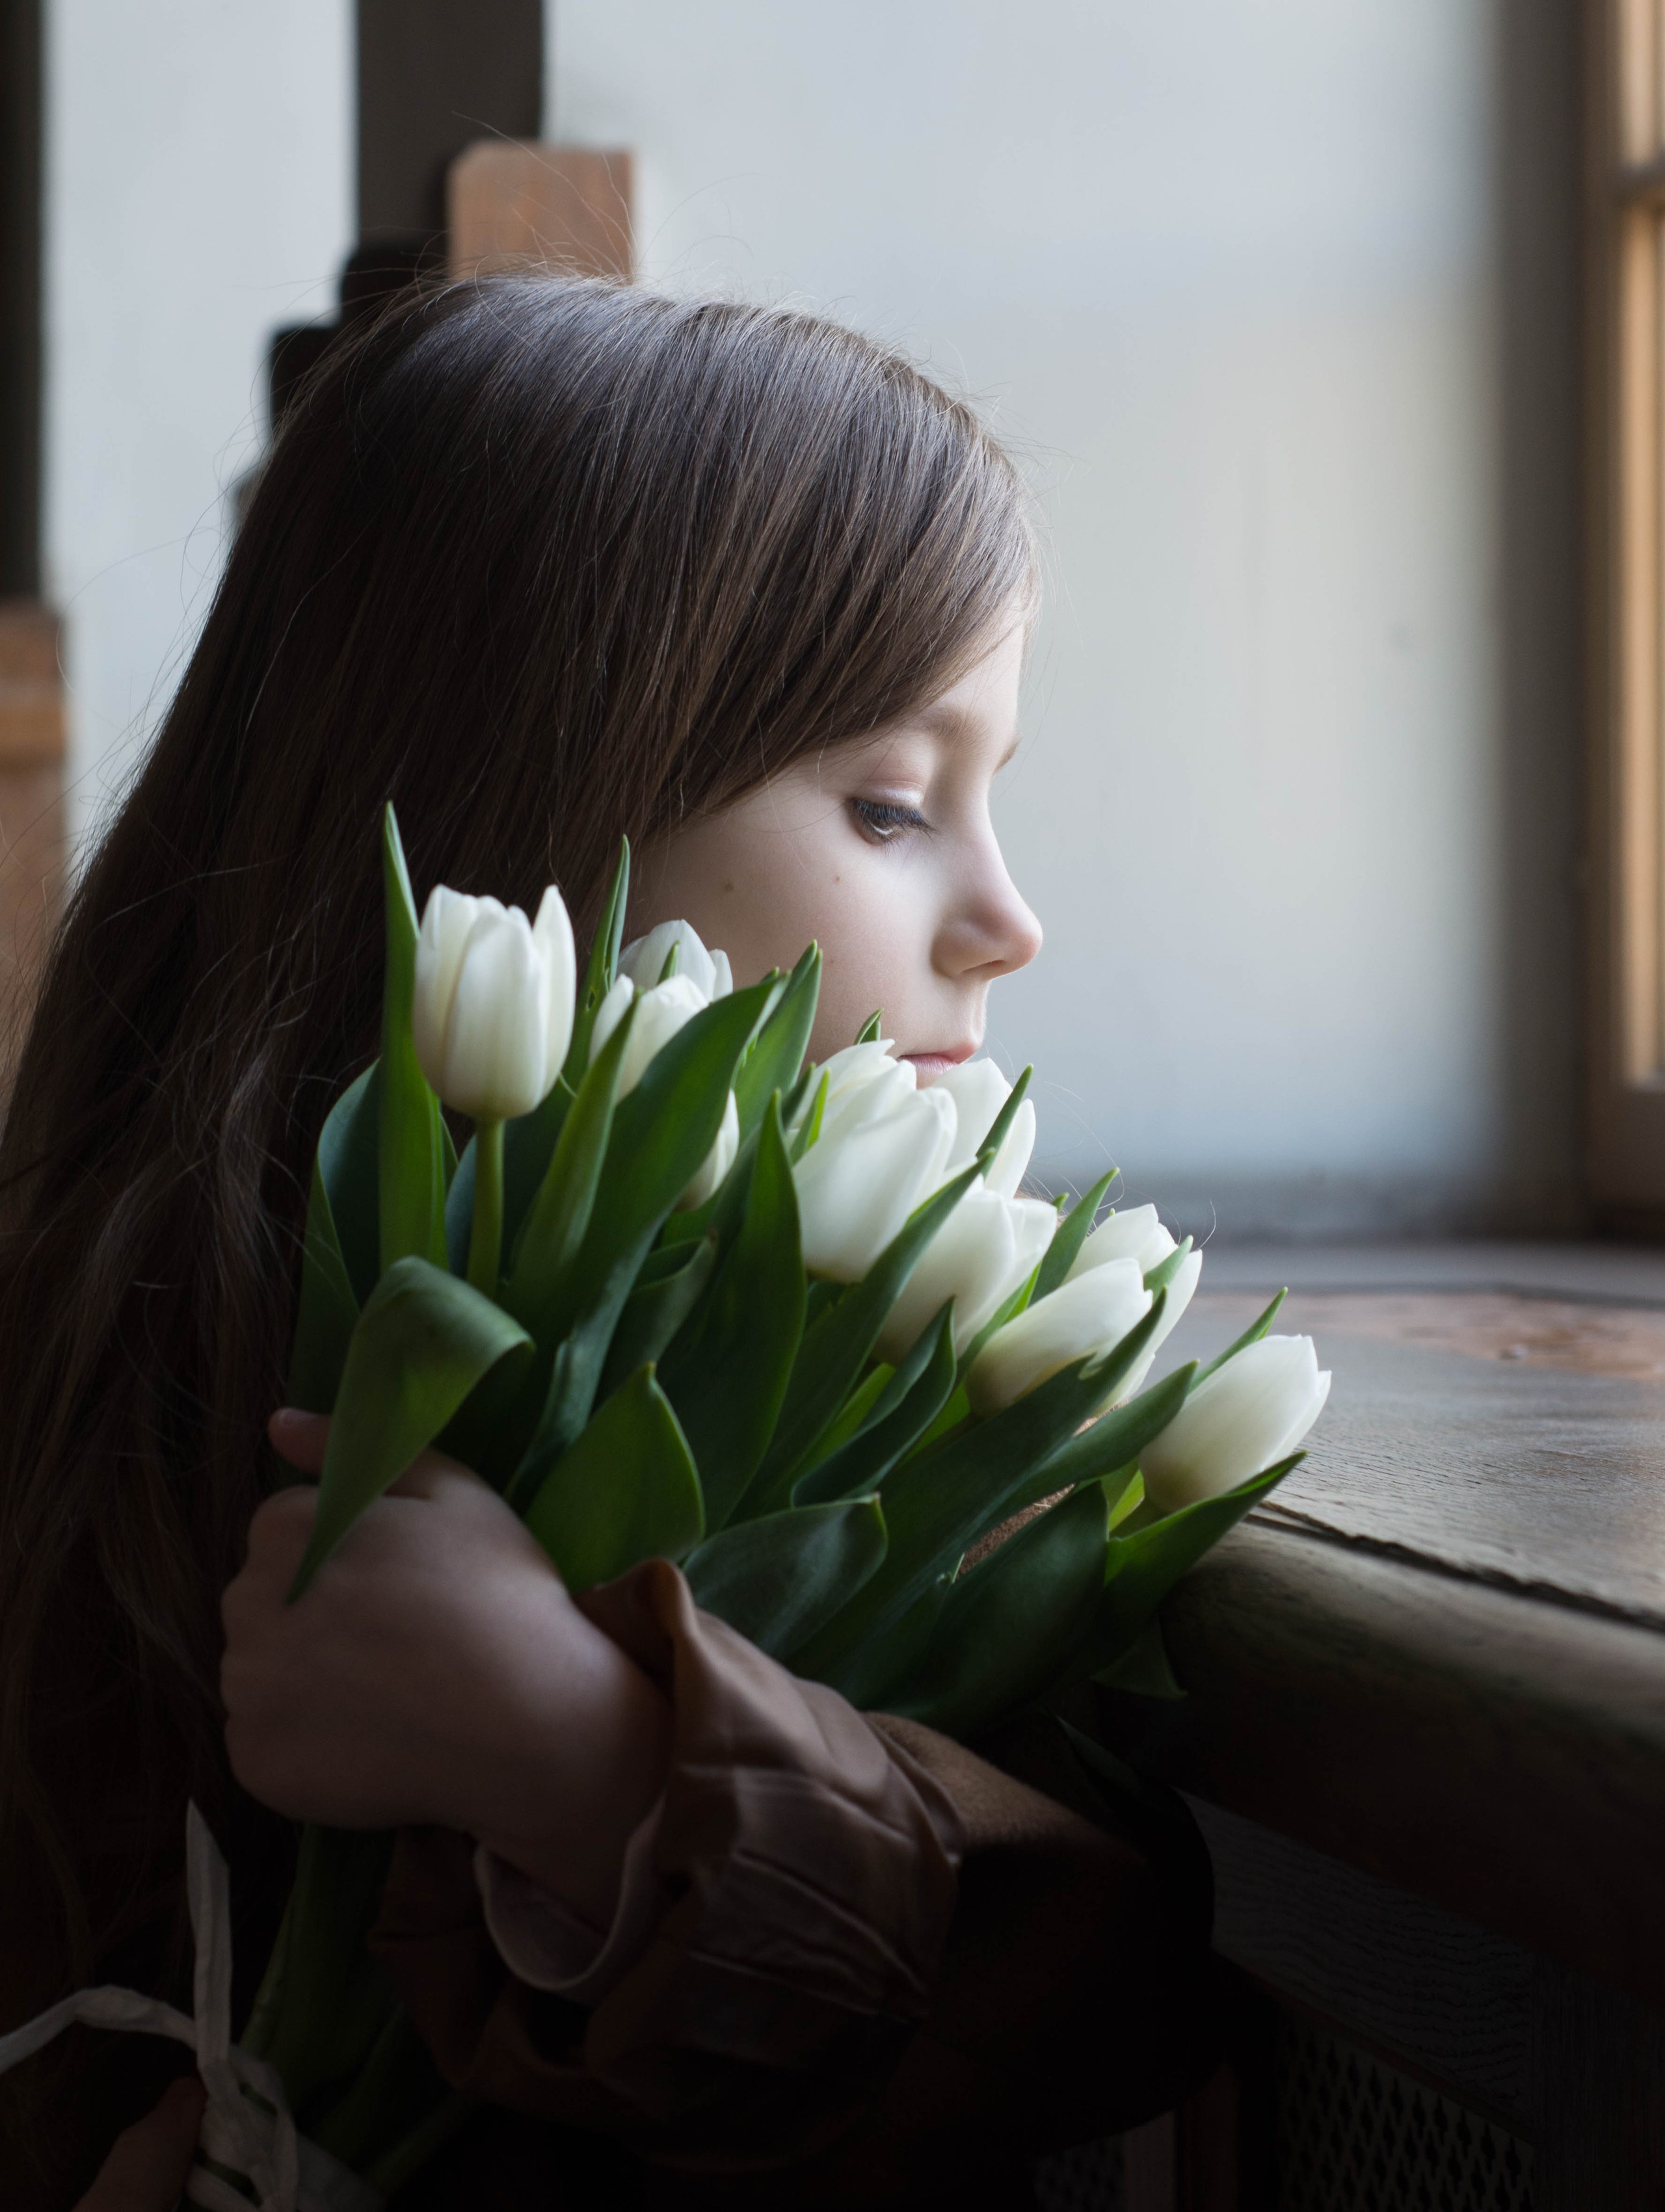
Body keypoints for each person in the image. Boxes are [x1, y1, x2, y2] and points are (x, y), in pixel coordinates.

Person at [0, 280, 1217, 2210]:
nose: (1010, 916)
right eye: (895, 802)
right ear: (531, 794)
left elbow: (1090, 1989)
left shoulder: (917, 1400)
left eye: (991, 798)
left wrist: (587, 1757)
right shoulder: (115, 1379)